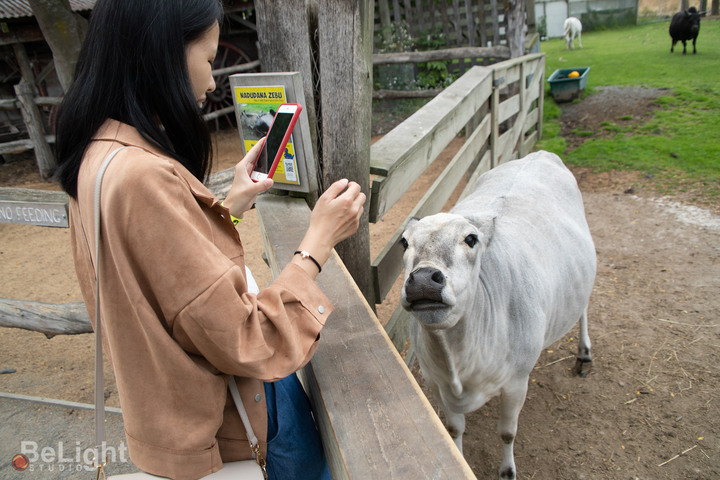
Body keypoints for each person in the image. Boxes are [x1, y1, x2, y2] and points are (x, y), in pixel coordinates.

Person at [53, 1, 366, 479]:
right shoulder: (144, 177)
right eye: (207, 58)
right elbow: (247, 339)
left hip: (170, 412)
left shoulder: (96, 155)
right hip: (234, 414)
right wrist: (317, 243)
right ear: (164, 55)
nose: (212, 80)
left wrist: (230, 207)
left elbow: (159, 277)